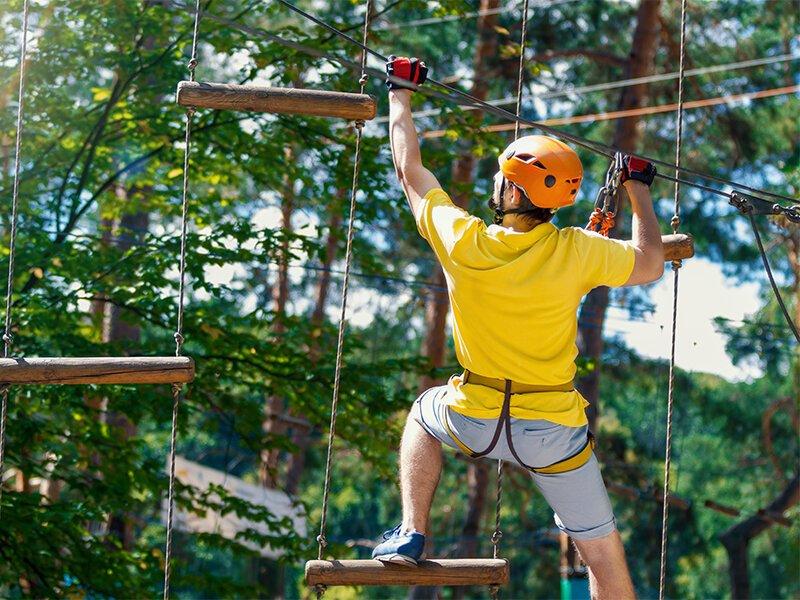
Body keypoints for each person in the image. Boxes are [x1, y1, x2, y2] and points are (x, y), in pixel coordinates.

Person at [373, 56, 663, 600]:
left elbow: (410, 171)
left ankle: (411, 529)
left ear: (512, 191)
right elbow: (648, 263)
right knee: (603, 560)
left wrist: (400, 94)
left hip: (474, 416)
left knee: (421, 414)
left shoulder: (463, 240)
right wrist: (639, 189)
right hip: (552, 433)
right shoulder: (578, 250)